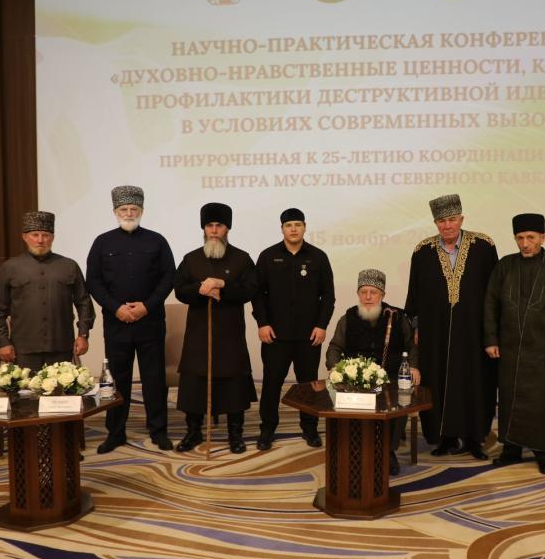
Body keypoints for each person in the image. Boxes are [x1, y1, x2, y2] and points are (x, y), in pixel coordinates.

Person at [404, 194, 498, 460]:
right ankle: (443, 438)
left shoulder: (483, 246)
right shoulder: (423, 251)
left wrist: (492, 333)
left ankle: (474, 438)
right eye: (442, 221)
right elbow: (414, 294)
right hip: (435, 332)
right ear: (435, 223)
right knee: (437, 380)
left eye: (452, 220)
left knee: (474, 380)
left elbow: (495, 293)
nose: (447, 226)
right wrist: (417, 327)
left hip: (473, 331)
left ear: (462, 219)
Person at [86, 186, 176, 453]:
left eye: (133, 209)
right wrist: (116, 308)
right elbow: (94, 281)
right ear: (115, 212)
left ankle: (158, 431)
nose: (129, 213)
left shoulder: (157, 241)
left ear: (141, 211)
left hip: (150, 323)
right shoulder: (102, 242)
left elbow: (168, 277)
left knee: (154, 379)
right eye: (123, 209)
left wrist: (146, 306)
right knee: (116, 381)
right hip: (117, 324)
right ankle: (115, 433)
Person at [483, 213, 545, 475]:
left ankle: (543, 452)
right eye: (520, 238)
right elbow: (490, 302)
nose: (525, 244)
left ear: (543, 238)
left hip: (544, 351)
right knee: (509, 399)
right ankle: (511, 450)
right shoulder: (505, 265)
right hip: (509, 348)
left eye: (530, 238)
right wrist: (491, 339)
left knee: (542, 403)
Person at [173, 203, 258, 454]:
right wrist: (201, 289)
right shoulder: (191, 259)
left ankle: (235, 434)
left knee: (233, 385)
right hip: (199, 334)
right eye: (209, 226)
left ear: (227, 229)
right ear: (203, 228)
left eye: (218, 226)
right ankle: (193, 431)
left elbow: (251, 289)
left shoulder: (242, 258)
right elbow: (180, 290)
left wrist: (223, 285)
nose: (213, 230)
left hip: (230, 334)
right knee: (194, 384)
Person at [252, 208, 335, 450]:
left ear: (305, 227)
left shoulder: (318, 257)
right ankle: (267, 429)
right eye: (289, 225)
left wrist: (321, 326)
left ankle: (309, 429)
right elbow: (257, 294)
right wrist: (262, 323)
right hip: (275, 336)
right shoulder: (268, 256)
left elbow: (328, 296)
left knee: (308, 385)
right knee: (271, 384)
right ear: (282, 229)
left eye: (298, 224)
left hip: (309, 336)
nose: (294, 229)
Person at [326, 269, 420, 475]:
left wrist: (413, 366)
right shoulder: (347, 318)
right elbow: (335, 347)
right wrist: (335, 368)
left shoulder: (397, 318)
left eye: (373, 292)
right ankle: (355, 447)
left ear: (382, 295)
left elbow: (412, 346)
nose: (368, 297)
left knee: (400, 399)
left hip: (391, 376)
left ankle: (389, 450)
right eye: (363, 292)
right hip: (357, 378)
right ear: (358, 294)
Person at [0, 211, 94, 371]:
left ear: (52, 238)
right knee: (25, 388)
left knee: (62, 388)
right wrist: (3, 342)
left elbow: (84, 303)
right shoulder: (10, 268)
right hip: (23, 349)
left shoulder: (69, 266)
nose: (40, 240)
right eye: (35, 235)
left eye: (45, 235)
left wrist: (83, 335)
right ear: (25, 237)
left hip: (61, 346)